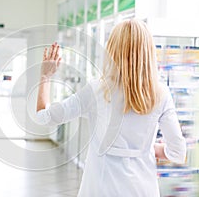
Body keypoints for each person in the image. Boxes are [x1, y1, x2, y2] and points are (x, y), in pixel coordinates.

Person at [35, 19, 186, 196]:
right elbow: (178, 152)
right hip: (142, 189)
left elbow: (44, 117)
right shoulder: (161, 94)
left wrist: (45, 76)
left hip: (100, 188)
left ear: (112, 51)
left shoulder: (97, 91)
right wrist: (144, 148)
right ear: (148, 52)